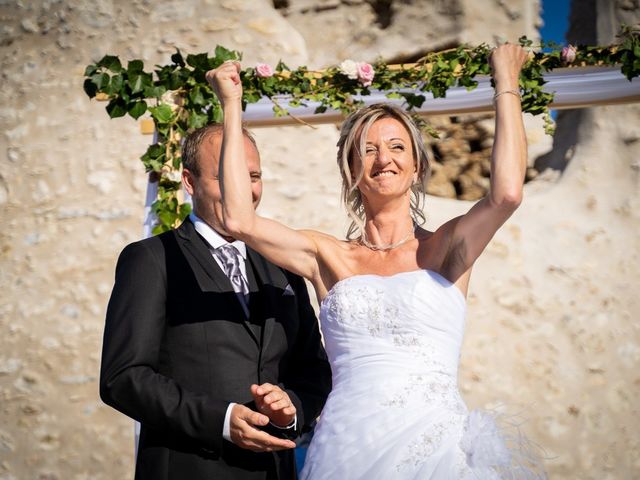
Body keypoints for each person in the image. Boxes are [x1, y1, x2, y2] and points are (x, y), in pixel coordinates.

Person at [207, 43, 544, 479]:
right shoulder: (325, 255)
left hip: (436, 450)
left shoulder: (448, 248)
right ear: (351, 169)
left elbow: (507, 194)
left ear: (418, 165)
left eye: (397, 147)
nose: (383, 158)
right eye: (367, 150)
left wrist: (507, 82)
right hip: (348, 450)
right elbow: (237, 217)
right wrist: (232, 105)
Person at [99, 123, 332, 480]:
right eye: (226, 176)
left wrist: (292, 411)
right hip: (188, 468)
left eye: (252, 176)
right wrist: (221, 420)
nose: (243, 189)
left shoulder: (284, 266)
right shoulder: (152, 259)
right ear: (190, 182)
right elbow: (124, 377)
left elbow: (313, 370)